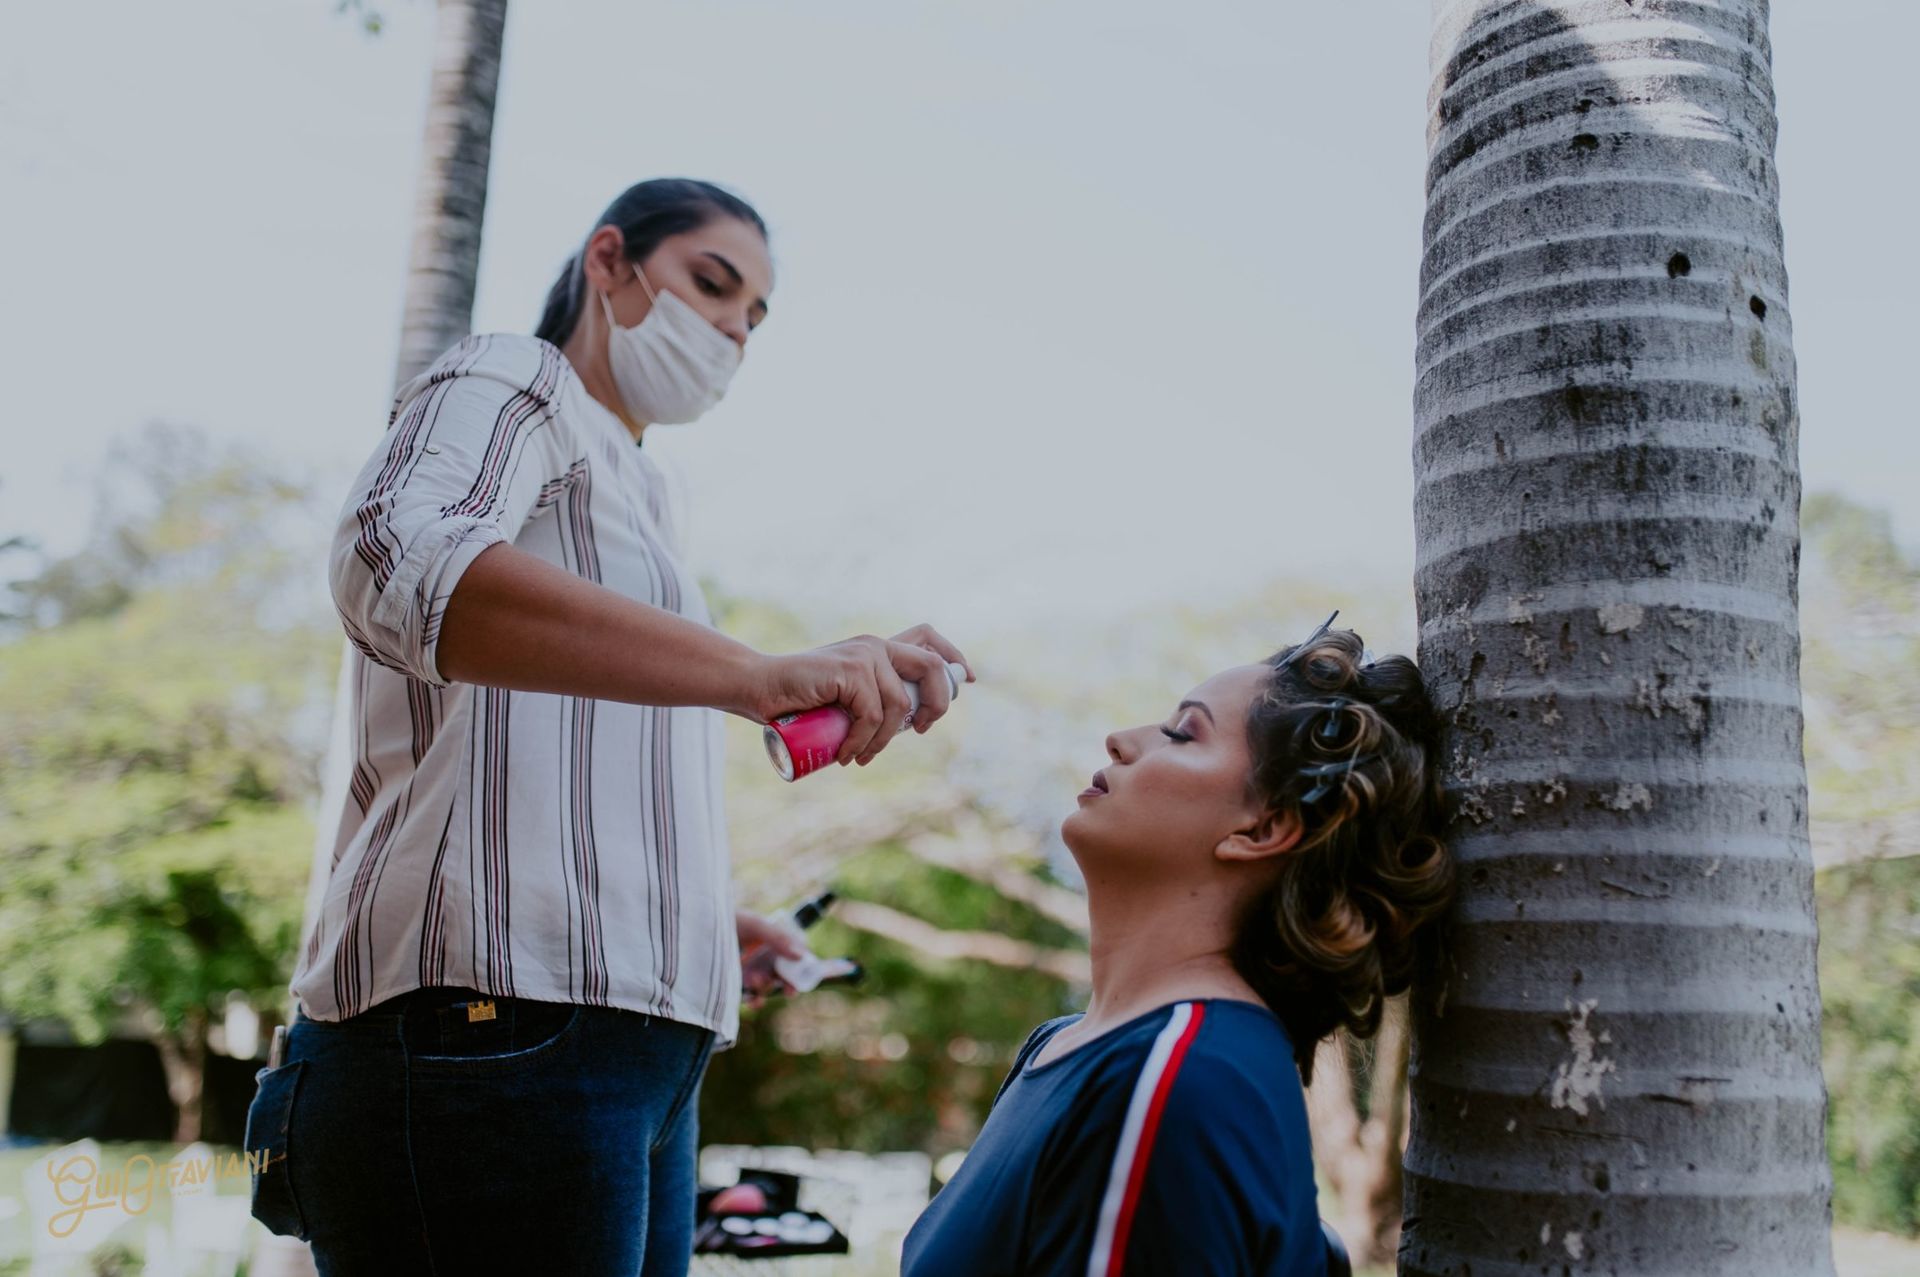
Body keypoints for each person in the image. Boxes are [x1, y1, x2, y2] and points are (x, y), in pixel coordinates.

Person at [244, 178, 970, 1277]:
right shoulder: (514, 375)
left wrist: (687, 921)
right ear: (610, 261)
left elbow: (553, 765)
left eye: (754, 318)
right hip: (493, 1031)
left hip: (637, 1051)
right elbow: (396, 555)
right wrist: (758, 673)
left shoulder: (654, 492)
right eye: (713, 285)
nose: (731, 329)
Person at [902, 618, 1453, 1276]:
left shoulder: (1176, 1076)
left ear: (1265, 826)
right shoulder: (1064, 1047)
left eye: (1181, 732)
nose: (1120, 738)